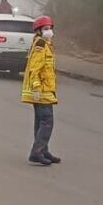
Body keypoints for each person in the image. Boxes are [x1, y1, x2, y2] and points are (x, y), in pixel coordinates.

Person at [22, 15, 60, 166]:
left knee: (40, 121)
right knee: (47, 122)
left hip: (44, 90)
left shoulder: (45, 44)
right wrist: (37, 88)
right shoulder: (41, 45)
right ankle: (37, 152)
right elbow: (34, 69)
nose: (49, 31)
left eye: (50, 28)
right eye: (46, 29)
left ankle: (43, 150)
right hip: (41, 91)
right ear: (38, 31)